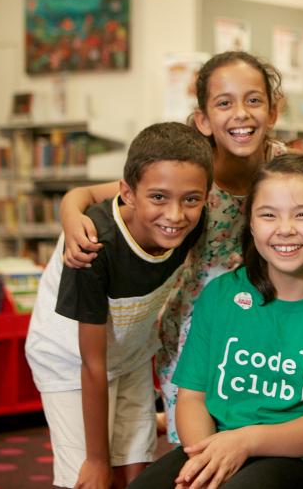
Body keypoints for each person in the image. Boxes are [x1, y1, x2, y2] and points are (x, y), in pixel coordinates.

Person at [58, 51, 288, 443]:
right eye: (224, 103)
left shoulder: (283, 167)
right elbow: (88, 194)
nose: (241, 114)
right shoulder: (191, 172)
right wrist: (69, 215)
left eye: (253, 100)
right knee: (197, 439)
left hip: (261, 318)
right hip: (195, 323)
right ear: (203, 119)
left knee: (252, 430)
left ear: (273, 110)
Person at [129, 154, 303, 489]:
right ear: (251, 222)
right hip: (218, 444)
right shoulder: (221, 294)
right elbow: (192, 396)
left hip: (301, 459)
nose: (285, 229)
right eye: (268, 215)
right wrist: (204, 460)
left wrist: (246, 441)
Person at [25, 122, 213, 488]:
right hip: (70, 360)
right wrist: (96, 459)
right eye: (158, 198)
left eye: (191, 199)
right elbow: (91, 364)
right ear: (127, 193)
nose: (175, 215)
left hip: (130, 352)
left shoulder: (194, 219)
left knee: (135, 464)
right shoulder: (94, 246)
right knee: (88, 476)